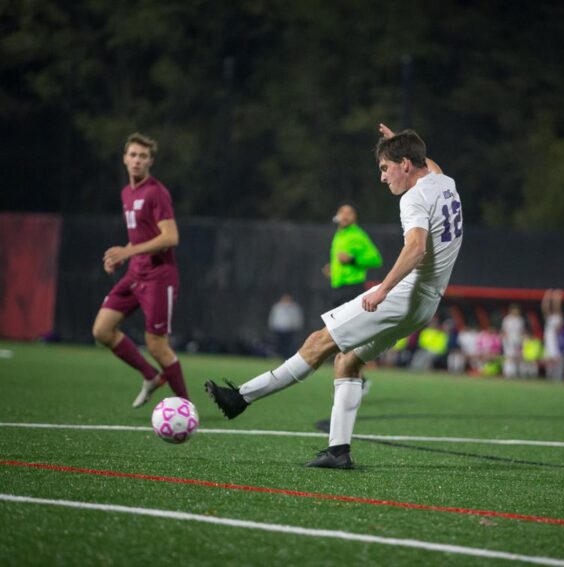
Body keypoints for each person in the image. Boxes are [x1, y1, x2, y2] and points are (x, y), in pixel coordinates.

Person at [205, 123, 462, 469]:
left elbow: (416, 248)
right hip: (426, 304)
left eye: (385, 168)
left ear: (404, 163)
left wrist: (382, 289)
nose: (383, 178)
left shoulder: (413, 198)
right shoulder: (444, 182)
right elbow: (428, 164)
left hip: (405, 294)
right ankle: (338, 451)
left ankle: (240, 398)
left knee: (318, 342)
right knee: (348, 360)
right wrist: (395, 144)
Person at [92, 132, 188, 407]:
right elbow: (142, 236)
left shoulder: (156, 192)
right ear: (125, 159)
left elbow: (170, 237)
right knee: (102, 330)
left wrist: (128, 251)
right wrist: (124, 255)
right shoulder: (127, 192)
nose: (137, 160)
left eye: (143, 156)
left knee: (157, 345)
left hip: (160, 276)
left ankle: (185, 406)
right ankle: (150, 377)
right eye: (132, 155)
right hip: (135, 273)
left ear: (150, 161)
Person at [322, 204, 383, 307]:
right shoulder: (339, 234)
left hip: (352, 288)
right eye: (342, 212)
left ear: (354, 217)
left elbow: (376, 260)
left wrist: (352, 260)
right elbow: (341, 261)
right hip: (337, 288)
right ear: (337, 216)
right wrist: (333, 270)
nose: (345, 215)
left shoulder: (358, 235)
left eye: (349, 213)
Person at [268, 294, 304, 360]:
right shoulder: (277, 306)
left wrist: (296, 327)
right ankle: (279, 356)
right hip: (279, 329)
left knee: (288, 344)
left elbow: (297, 318)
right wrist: (273, 325)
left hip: (290, 329)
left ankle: (287, 356)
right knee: (279, 343)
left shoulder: (294, 307)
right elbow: (273, 317)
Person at [541, 289, 564, 380]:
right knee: (548, 359)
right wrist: (547, 297)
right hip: (548, 340)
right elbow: (544, 308)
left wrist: (557, 298)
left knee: (556, 359)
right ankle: (549, 375)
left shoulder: (558, 317)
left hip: (555, 341)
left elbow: (557, 307)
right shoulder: (549, 318)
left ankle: (557, 376)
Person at [501, 304, 525, 378]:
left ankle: (514, 373)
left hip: (517, 341)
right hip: (508, 341)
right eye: (515, 310)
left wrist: (521, 340)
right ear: (511, 310)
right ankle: (507, 372)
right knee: (509, 356)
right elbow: (504, 330)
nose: (517, 311)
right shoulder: (507, 319)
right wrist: (506, 340)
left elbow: (521, 331)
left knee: (516, 357)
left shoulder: (520, 320)